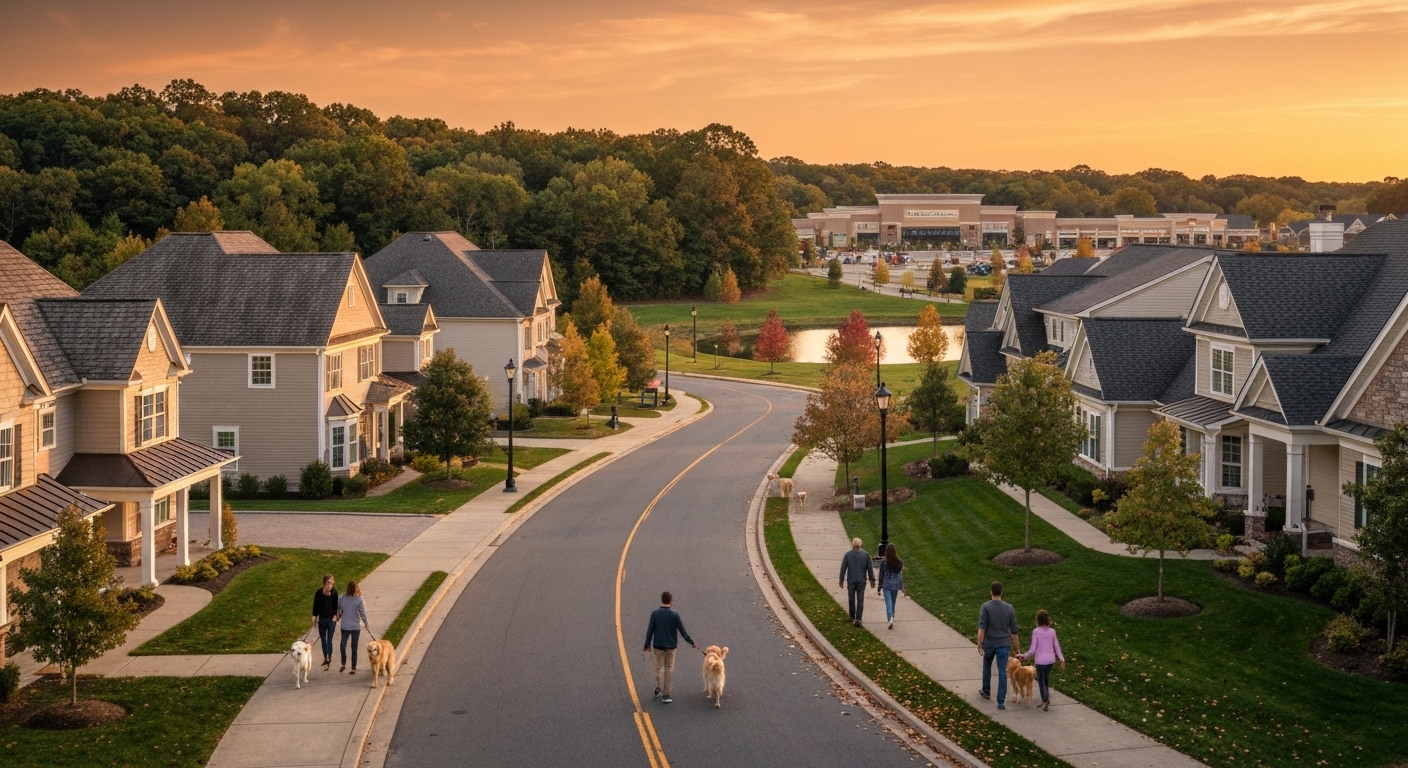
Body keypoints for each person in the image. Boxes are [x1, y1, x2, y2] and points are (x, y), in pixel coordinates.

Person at [642, 591, 695, 704]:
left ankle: (658, 686)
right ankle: (666, 694)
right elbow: (682, 631)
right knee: (668, 668)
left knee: (658, 667)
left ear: (662, 600)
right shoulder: (675, 615)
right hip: (671, 646)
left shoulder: (655, 614)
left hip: (658, 646)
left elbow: (650, 630)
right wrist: (691, 642)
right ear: (671, 601)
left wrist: (647, 644)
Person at [976, 581, 1021, 710]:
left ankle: (986, 690)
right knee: (1002, 671)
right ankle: (1001, 701)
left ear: (991, 592)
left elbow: (982, 628)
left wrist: (980, 644)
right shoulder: (1009, 608)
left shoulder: (985, 607)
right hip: (1003, 644)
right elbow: (1013, 631)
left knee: (987, 666)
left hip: (989, 643)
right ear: (1001, 592)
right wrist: (1017, 649)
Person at [1018, 610, 1065, 711]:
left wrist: (1024, 656)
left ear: (1038, 620)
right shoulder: (1052, 632)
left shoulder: (1036, 631)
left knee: (1041, 681)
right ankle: (1046, 698)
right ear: (1047, 619)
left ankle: (1045, 699)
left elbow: (1032, 649)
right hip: (1050, 661)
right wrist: (1061, 659)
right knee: (1046, 680)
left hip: (1040, 661)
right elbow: (1056, 647)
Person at [838, 538, 875, 627]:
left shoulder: (848, 555)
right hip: (861, 581)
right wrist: (872, 580)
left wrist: (841, 579)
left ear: (853, 545)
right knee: (860, 600)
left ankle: (852, 615)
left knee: (851, 599)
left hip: (851, 580)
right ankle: (858, 618)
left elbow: (843, 568)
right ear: (860, 545)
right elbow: (870, 569)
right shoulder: (866, 555)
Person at [337, 580, 369, 674]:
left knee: (350, 646)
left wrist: (366, 623)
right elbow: (337, 607)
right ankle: (344, 663)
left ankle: (353, 667)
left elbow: (362, 613)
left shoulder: (358, 599)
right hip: (346, 626)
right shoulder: (342, 598)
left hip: (355, 627)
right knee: (347, 646)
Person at [311, 574, 339, 670]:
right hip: (322, 619)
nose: (330, 585)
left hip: (331, 620)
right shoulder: (318, 593)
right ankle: (325, 657)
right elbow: (316, 606)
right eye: (328, 583)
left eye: (331, 583)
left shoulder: (334, 593)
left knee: (329, 640)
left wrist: (335, 615)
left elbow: (335, 607)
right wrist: (314, 616)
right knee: (323, 640)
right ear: (324, 583)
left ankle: (329, 657)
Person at [877, 543, 903, 629]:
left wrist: (879, 587)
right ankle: (892, 617)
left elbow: (881, 576)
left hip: (887, 585)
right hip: (895, 585)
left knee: (888, 602)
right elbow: (900, 575)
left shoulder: (884, 563)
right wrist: (901, 586)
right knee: (893, 602)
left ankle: (890, 618)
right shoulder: (899, 563)